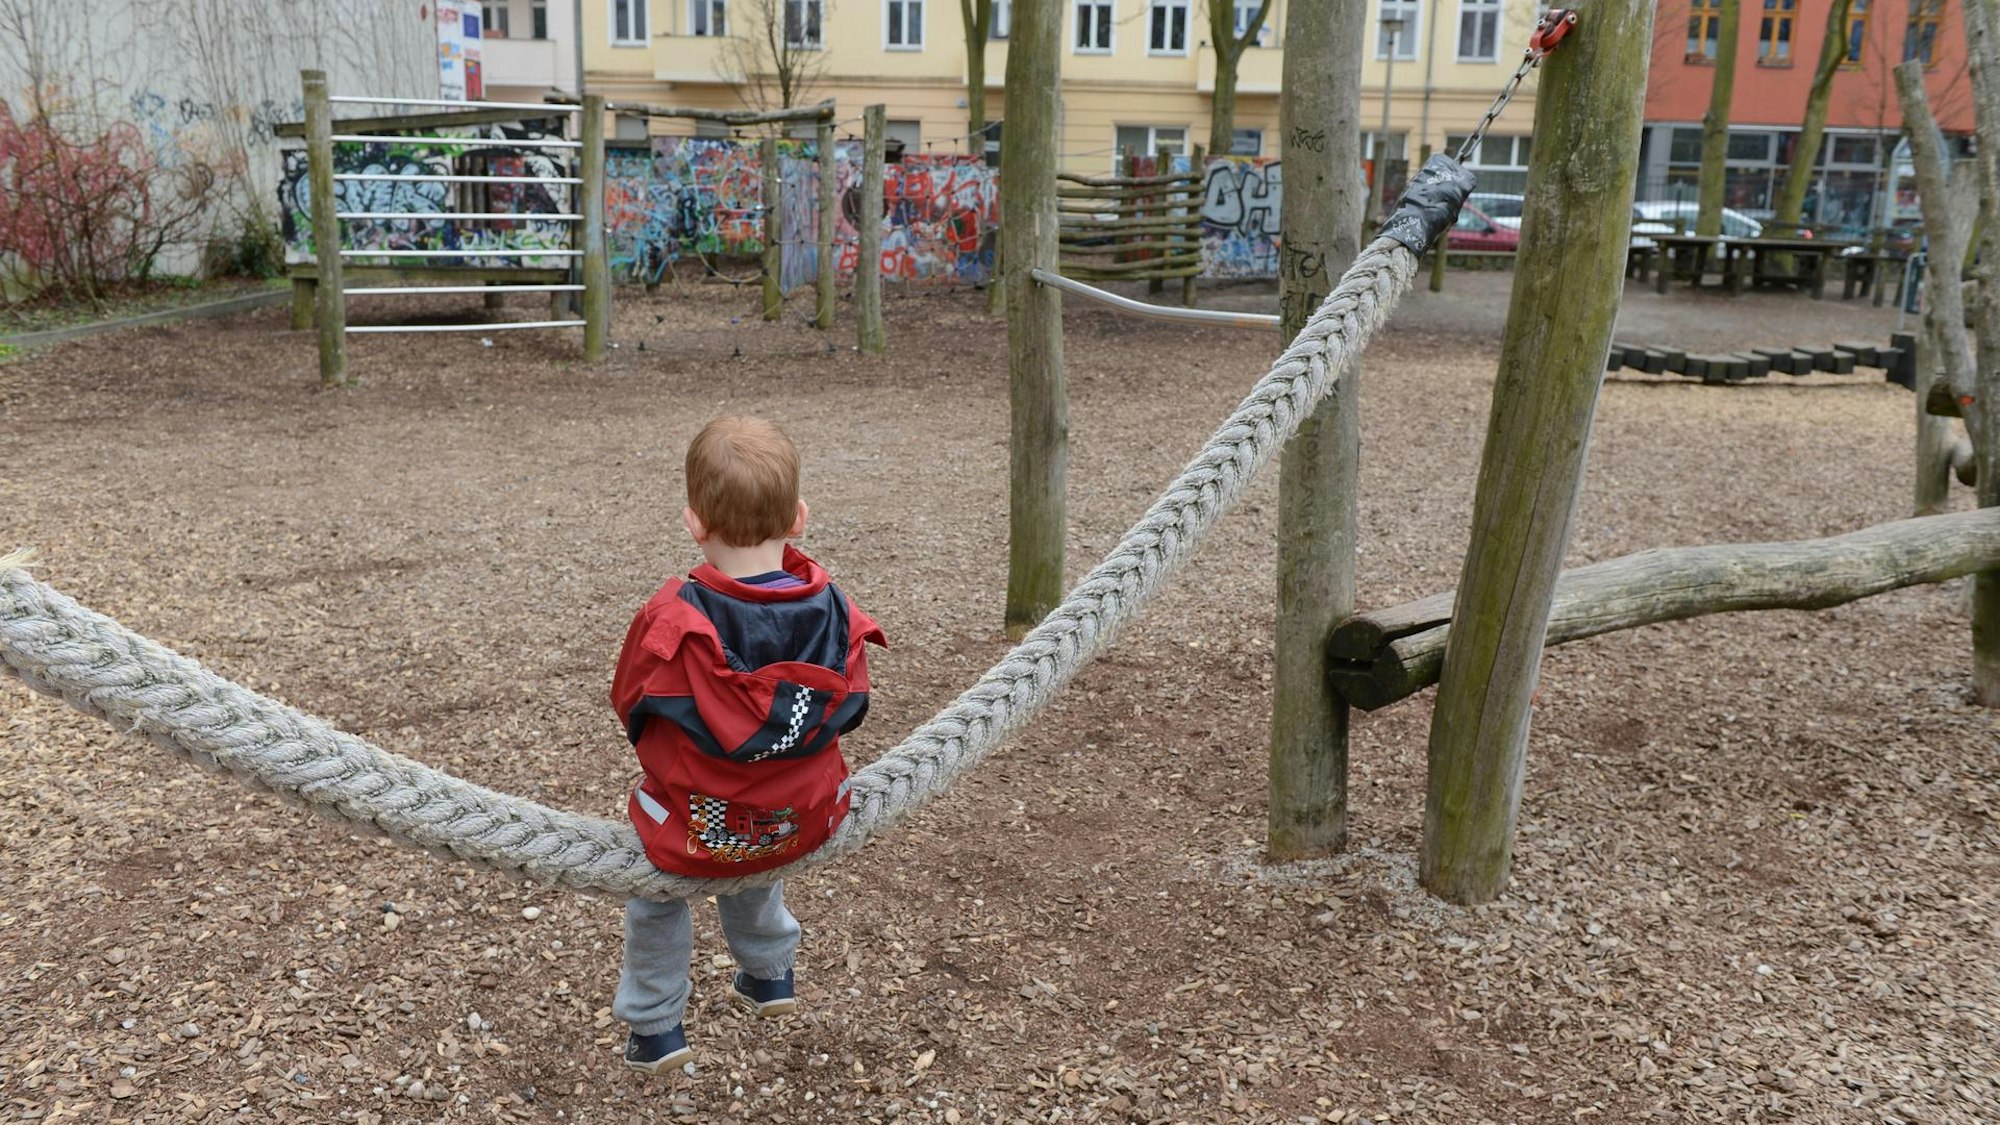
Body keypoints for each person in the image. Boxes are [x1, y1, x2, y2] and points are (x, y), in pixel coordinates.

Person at [609, 415, 886, 1073]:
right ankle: (770, 976)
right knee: (760, 832)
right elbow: (852, 709)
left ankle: (655, 1028)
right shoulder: (836, 609)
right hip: (802, 818)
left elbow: (631, 702)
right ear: (799, 516)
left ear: (693, 522)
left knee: (658, 892)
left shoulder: (675, 619)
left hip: (697, 828)